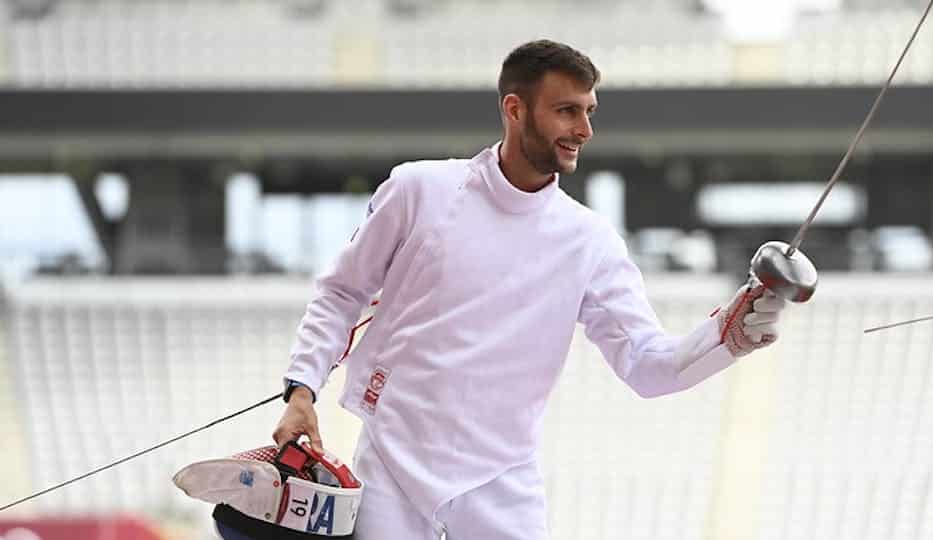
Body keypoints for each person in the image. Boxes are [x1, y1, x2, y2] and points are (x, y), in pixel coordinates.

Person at [273, 39, 791, 540]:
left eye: (589, 112)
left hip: (502, 480)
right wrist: (301, 389)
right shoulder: (419, 190)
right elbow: (343, 293)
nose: (584, 129)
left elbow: (649, 368)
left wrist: (730, 334)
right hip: (390, 463)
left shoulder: (590, 242)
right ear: (515, 109)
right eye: (567, 110)